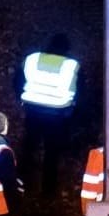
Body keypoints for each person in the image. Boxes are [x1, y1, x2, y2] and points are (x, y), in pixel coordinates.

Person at [16, 33, 80, 201]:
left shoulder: (32, 58)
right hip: (56, 114)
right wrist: (72, 110)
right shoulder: (71, 65)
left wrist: (21, 100)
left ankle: (22, 183)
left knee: (29, 147)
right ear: (67, 48)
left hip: (33, 111)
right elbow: (79, 91)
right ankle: (48, 191)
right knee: (52, 153)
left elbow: (17, 81)